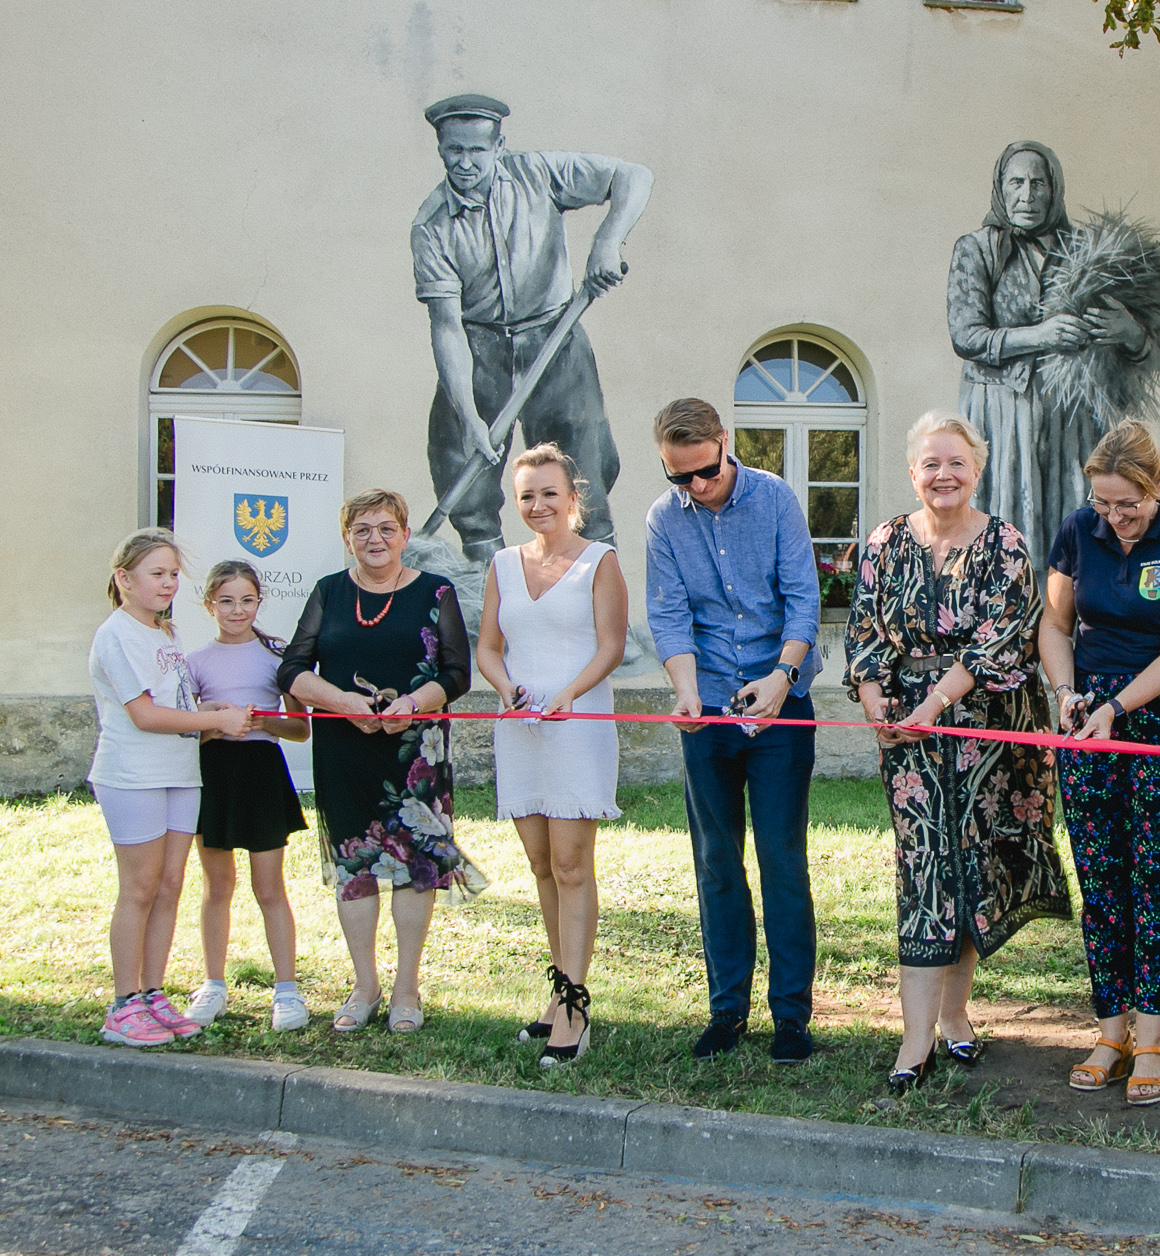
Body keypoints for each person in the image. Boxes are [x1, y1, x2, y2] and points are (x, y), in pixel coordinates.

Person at [847, 411, 1069, 1095]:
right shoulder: (884, 541)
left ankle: (953, 1008)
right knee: (924, 866)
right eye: (931, 464)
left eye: (957, 463)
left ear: (977, 468)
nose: (944, 475)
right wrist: (874, 697)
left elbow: (1003, 642)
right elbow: (864, 628)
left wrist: (931, 705)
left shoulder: (1006, 545)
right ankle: (914, 1042)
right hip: (906, 732)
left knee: (970, 863)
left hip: (986, 722)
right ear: (913, 471)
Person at [1039, 421, 1160, 1106]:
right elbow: (1055, 627)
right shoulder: (1077, 530)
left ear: (1159, 486)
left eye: (1129, 505)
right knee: (1103, 878)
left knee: (1156, 879)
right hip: (1089, 724)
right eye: (1103, 504)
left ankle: (1151, 1036)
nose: (1115, 519)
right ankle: (1109, 1028)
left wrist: (1116, 705)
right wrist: (1067, 693)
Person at [646, 398, 822, 1064]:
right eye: (679, 476)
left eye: (705, 471)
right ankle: (727, 1010)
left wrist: (781, 677)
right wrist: (688, 692)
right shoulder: (664, 520)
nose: (696, 486)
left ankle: (791, 1017)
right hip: (708, 709)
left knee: (781, 857)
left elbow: (803, 598)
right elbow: (670, 617)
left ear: (726, 443)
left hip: (782, 704)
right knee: (717, 860)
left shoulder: (775, 499)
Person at [413, 94, 653, 561]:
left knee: (584, 471)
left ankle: (597, 592)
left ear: (498, 146)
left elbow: (634, 175)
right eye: (454, 151)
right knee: (460, 463)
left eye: (477, 150)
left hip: (555, 336)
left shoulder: (538, 174)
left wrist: (607, 240)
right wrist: (469, 417)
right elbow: (445, 326)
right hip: (478, 345)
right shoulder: (432, 226)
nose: (465, 162)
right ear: (441, 149)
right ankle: (487, 583)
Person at [278, 490, 482, 1035]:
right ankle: (364, 984)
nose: (375, 539)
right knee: (356, 868)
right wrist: (342, 703)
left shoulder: (435, 591)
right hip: (344, 748)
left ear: (405, 533)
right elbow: (292, 668)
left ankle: (406, 988)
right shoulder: (329, 592)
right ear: (347, 537)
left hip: (415, 751)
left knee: (413, 868)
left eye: (386, 528)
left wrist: (412, 705)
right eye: (362, 529)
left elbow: (458, 672)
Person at [477, 444, 629, 1066]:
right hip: (520, 726)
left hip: (577, 722)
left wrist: (567, 695)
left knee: (571, 865)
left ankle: (576, 1006)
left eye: (549, 493)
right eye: (527, 496)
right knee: (541, 866)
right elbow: (489, 646)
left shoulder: (601, 561)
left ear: (573, 498)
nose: (538, 505)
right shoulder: (501, 564)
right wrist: (507, 688)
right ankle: (557, 992)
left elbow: (612, 647)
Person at [948, 140, 1153, 568]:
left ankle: (1068, 619)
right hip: (1002, 412)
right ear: (1000, 189)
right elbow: (967, 336)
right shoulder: (977, 249)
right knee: (1007, 526)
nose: (1028, 195)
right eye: (1017, 182)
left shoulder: (1083, 249)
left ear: (1054, 189)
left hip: (1068, 416)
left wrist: (1130, 332)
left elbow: (1139, 349)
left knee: (1071, 528)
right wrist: (1041, 335)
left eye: (1039, 183)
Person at [90, 530, 255, 1046]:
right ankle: (122, 1006)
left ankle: (152, 993)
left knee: (169, 886)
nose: (168, 583)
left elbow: (179, 704)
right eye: (157, 574)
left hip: (182, 773)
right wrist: (216, 721)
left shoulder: (165, 633)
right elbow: (143, 714)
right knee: (138, 889)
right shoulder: (116, 634)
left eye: (172, 574)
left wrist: (216, 713)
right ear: (124, 579)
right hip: (133, 775)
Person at [184, 561, 312, 1032]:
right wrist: (213, 722)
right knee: (217, 886)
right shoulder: (194, 663)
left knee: (269, 887)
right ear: (209, 605)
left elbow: (300, 729)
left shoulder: (277, 659)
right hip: (214, 775)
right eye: (226, 601)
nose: (236, 610)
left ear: (259, 602)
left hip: (260, 773)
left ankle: (287, 991)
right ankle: (213, 985)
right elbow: (185, 733)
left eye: (246, 600)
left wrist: (263, 722)